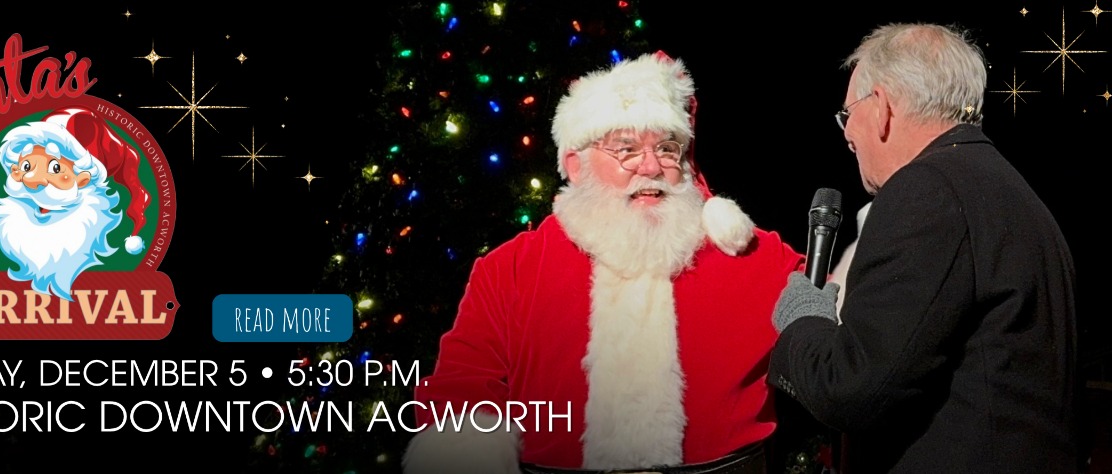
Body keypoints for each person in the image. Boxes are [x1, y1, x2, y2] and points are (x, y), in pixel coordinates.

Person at [403, 52, 805, 474]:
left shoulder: (749, 254)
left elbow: (838, 324)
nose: (650, 166)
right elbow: (461, 389)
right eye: (626, 150)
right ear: (576, 165)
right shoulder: (512, 269)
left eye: (667, 148)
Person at [767, 23, 1079, 472]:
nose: (845, 133)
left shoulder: (927, 190)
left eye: (846, 113)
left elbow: (852, 389)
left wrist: (803, 319)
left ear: (881, 106)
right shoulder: (1006, 188)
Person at [0, 106, 150, 300]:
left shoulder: (113, 235)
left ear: (83, 179)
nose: (33, 180)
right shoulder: (15, 221)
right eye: (27, 166)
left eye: (55, 167)